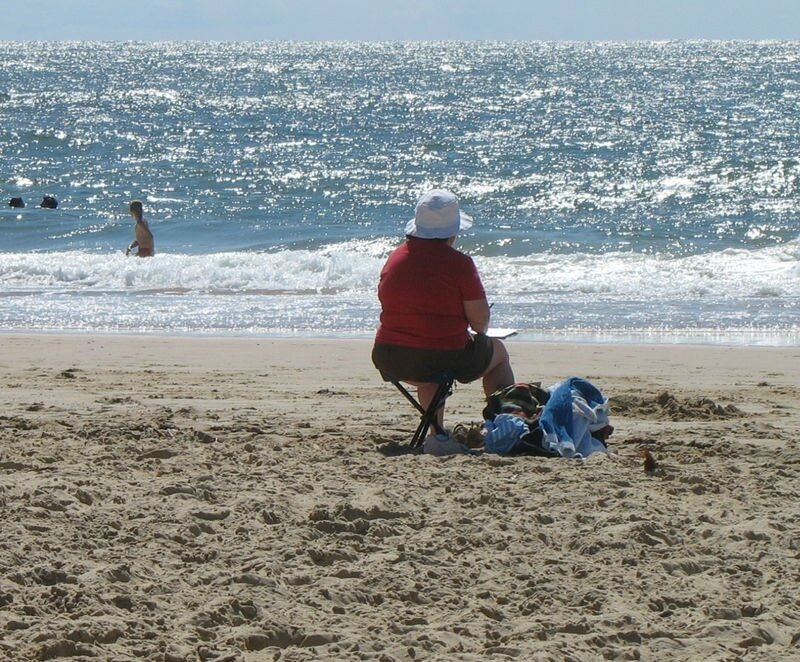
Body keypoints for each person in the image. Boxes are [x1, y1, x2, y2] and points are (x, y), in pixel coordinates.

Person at [372, 189, 515, 455]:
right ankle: (502, 425)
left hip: (389, 355)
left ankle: (437, 435)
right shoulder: (459, 264)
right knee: (499, 354)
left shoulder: (395, 258)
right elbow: (480, 323)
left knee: (429, 369)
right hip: (440, 357)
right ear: (452, 231)